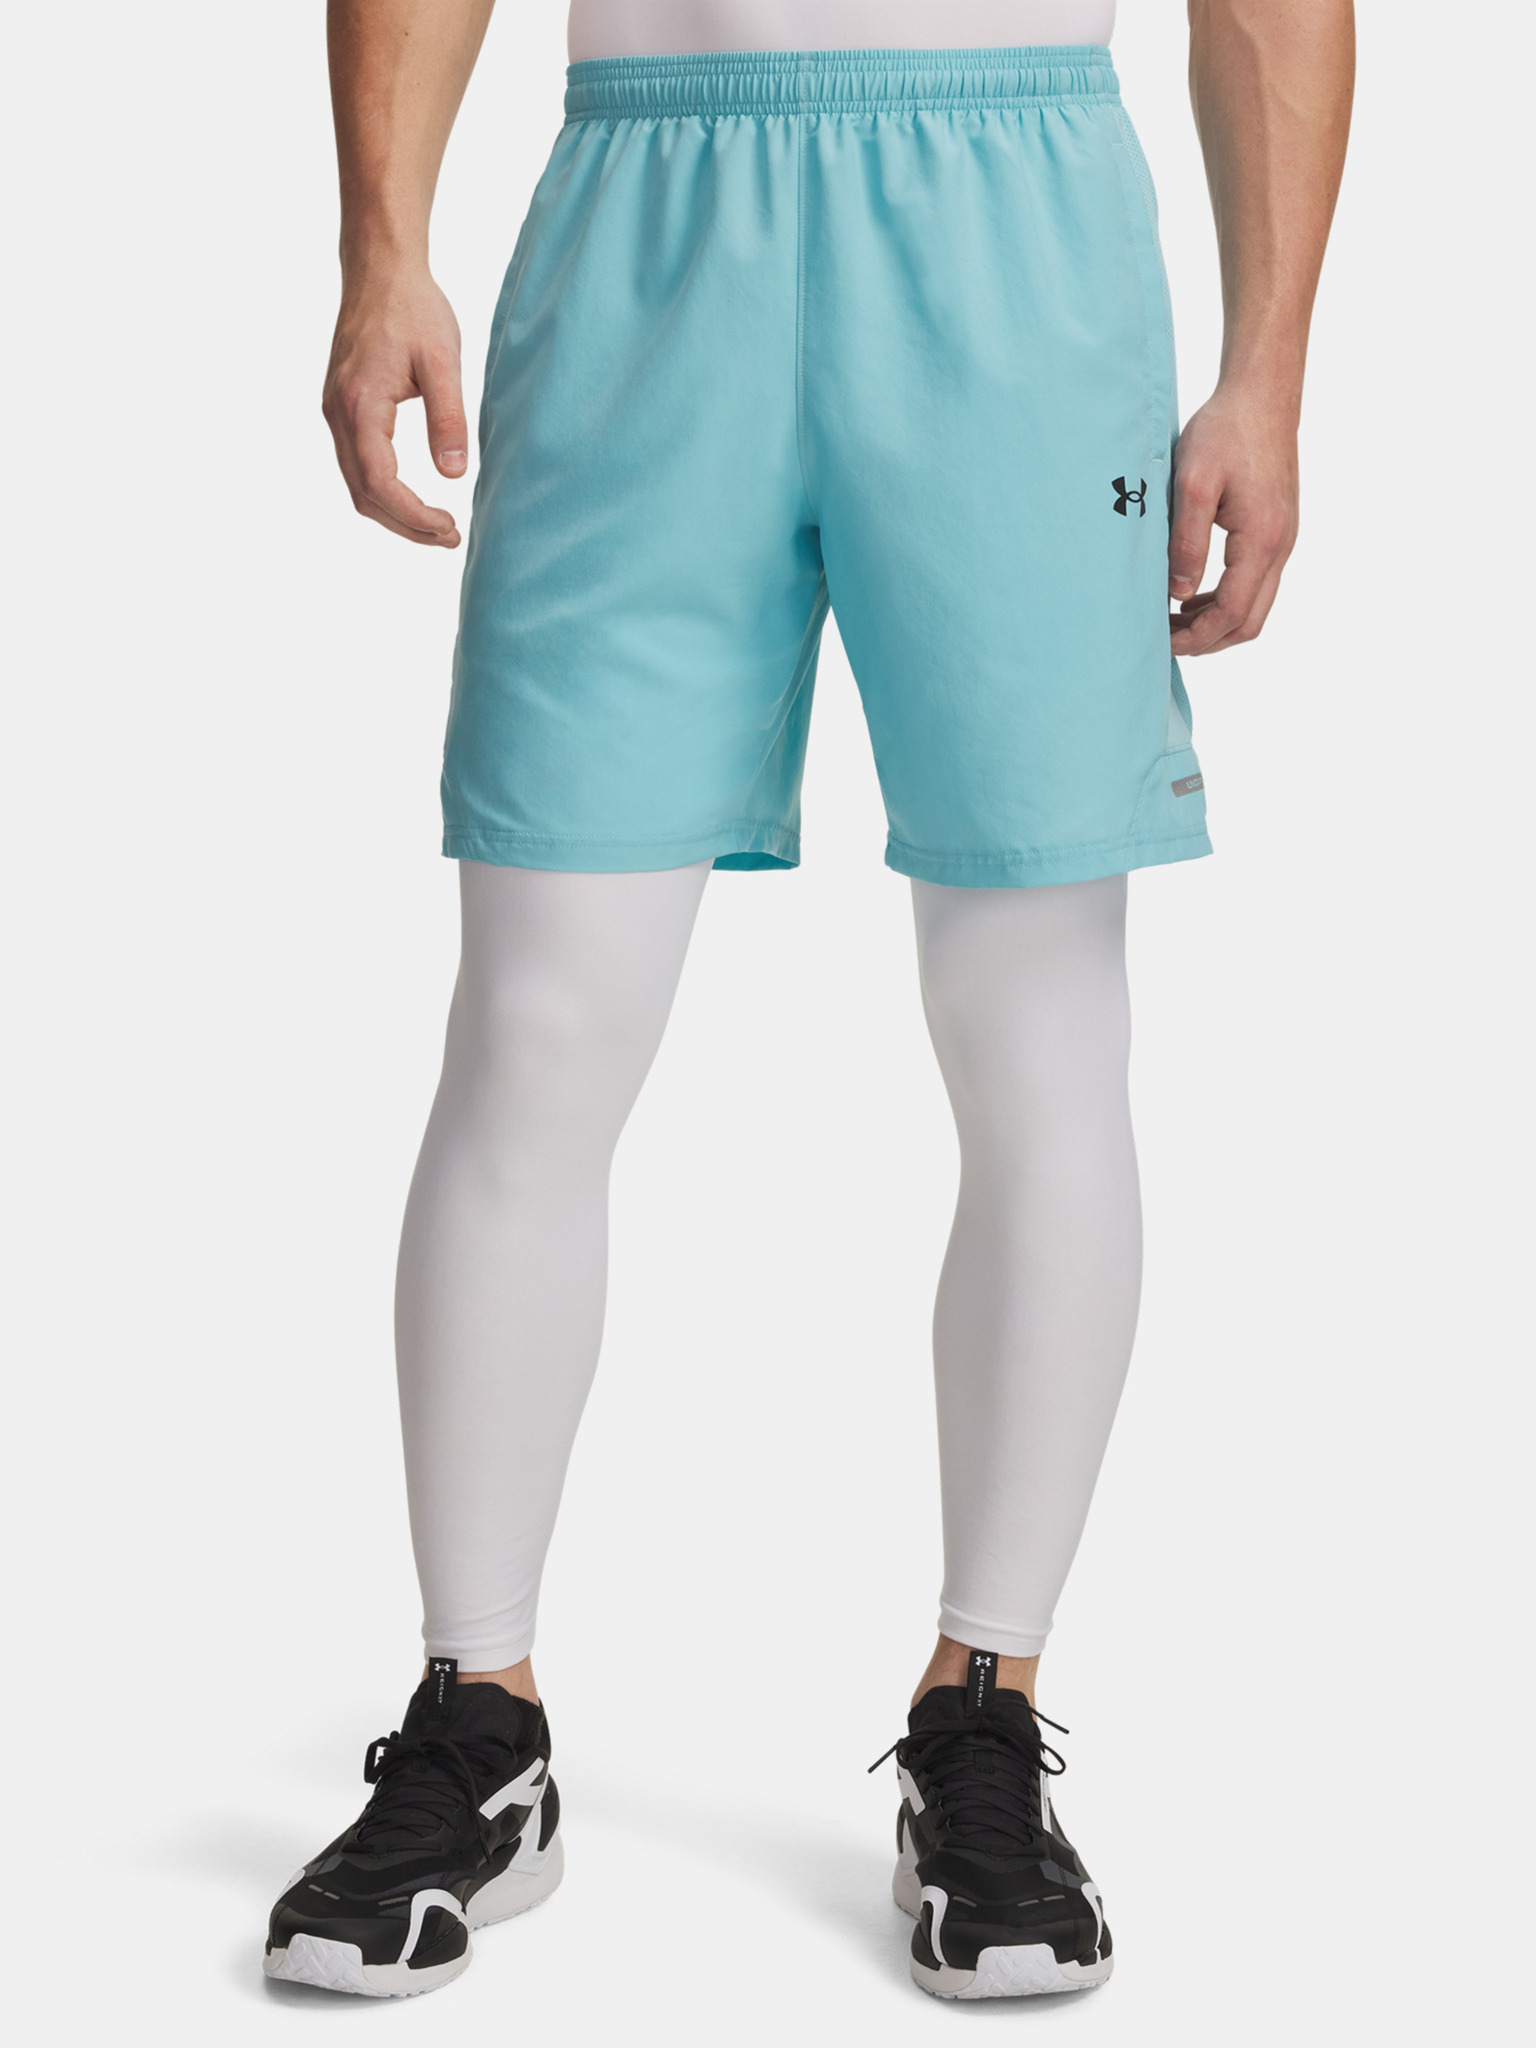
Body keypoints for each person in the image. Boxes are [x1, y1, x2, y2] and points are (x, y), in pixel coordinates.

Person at [264, 0, 1353, 2002]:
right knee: (536, 1022)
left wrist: (1267, 370)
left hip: (1018, 229)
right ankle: (479, 1714)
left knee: (1036, 1022)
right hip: (646, 216)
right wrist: (381, 242)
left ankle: (984, 1706)